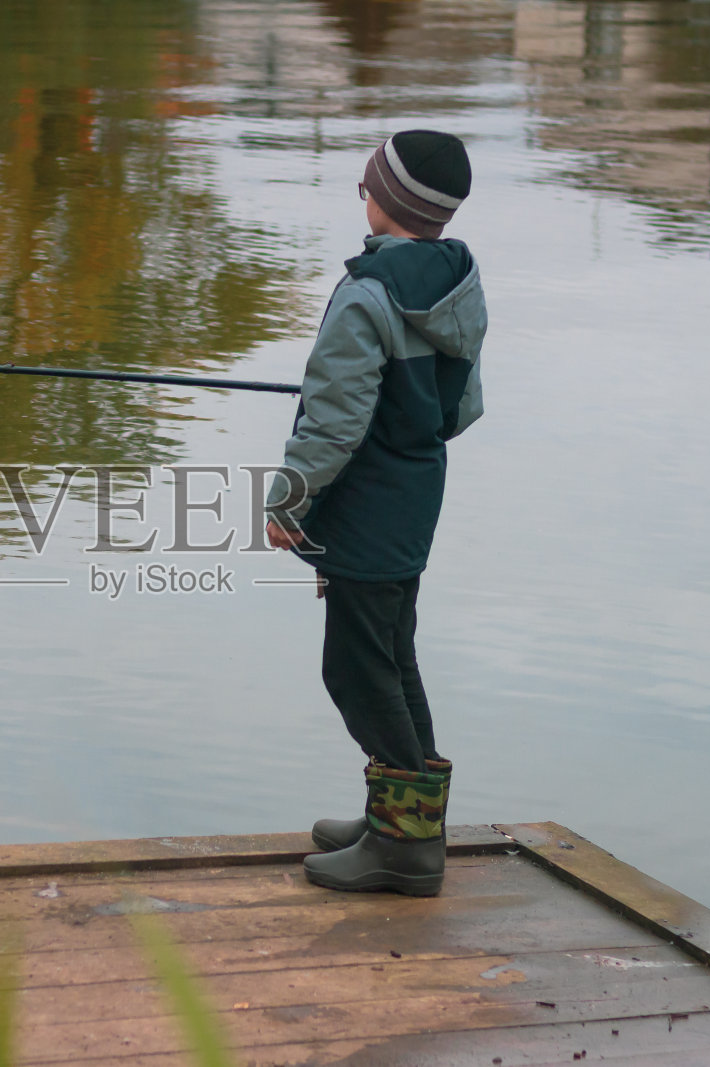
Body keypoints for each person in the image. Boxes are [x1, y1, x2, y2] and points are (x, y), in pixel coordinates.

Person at [264, 130, 487, 896]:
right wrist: (405, 418)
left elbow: (332, 425)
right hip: (416, 501)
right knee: (393, 658)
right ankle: (400, 819)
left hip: (364, 511)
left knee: (357, 671)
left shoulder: (366, 294)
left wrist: (288, 499)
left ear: (383, 200)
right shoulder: (457, 286)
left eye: (365, 185)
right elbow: (462, 408)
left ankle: (406, 846)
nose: (362, 197)